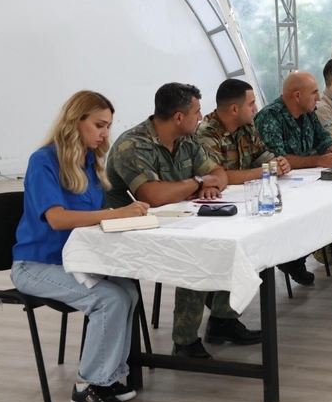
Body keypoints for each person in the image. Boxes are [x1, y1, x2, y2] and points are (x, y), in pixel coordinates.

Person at [10, 91, 149, 402]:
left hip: (74, 260)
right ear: (76, 121)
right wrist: (115, 214)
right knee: (109, 299)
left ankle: (109, 376)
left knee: (128, 291)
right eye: (99, 125)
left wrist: (126, 218)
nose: (105, 134)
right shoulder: (43, 161)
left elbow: (92, 220)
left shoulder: (89, 163)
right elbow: (57, 219)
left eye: (108, 126)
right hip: (35, 265)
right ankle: (88, 386)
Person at [106, 83, 260, 360]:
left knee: (229, 238)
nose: (201, 117)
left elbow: (219, 173)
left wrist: (207, 186)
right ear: (178, 117)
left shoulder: (187, 139)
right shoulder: (133, 144)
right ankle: (185, 342)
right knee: (197, 253)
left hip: (175, 221)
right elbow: (153, 196)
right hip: (129, 233)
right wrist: (198, 183)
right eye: (197, 112)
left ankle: (223, 320)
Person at [197, 78, 311, 286]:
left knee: (299, 209)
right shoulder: (207, 133)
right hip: (221, 207)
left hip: (247, 198)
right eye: (251, 104)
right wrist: (262, 171)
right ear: (234, 109)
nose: (255, 109)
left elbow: (261, 154)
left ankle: (290, 259)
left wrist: (279, 162)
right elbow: (220, 176)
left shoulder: (247, 126)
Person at [256, 70, 332, 265]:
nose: (319, 97)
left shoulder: (308, 113)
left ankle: (329, 240)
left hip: (305, 180)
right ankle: (293, 259)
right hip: (280, 187)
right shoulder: (270, 116)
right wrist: (319, 161)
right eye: (314, 92)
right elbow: (278, 159)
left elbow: (324, 141)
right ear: (297, 95)